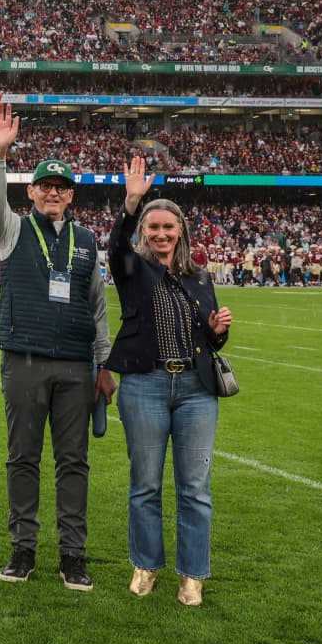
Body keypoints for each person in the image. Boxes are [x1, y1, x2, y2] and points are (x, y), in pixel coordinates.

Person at [0, 150, 117, 591]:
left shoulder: (87, 239)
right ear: (32, 191)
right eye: (45, 186)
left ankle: (72, 555)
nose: (53, 192)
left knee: (73, 461)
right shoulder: (13, 229)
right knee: (23, 458)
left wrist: (104, 363)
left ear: (71, 195)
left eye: (61, 187)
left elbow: (97, 306)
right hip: (24, 360)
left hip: (77, 365)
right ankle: (23, 548)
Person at [106, 155, 232, 607]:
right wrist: (132, 202)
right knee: (145, 484)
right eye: (152, 227)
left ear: (181, 232)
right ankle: (146, 564)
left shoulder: (199, 277)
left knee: (195, 488)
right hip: (146, 386)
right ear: (144, 232)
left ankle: (192, 575)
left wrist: (219, 331)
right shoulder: (133, 269)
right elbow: (115, 245)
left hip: (196, 391)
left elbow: (209, 342)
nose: (160, 234)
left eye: (168, 227)